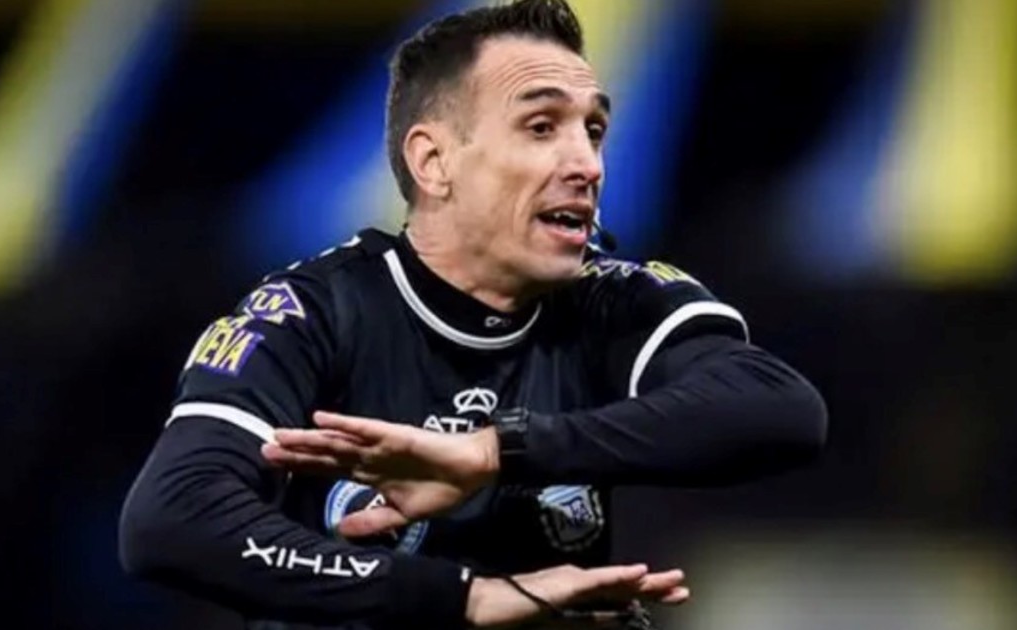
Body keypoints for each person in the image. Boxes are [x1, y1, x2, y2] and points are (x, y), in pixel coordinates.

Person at [118, 1, 827, 628]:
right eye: (542, 127)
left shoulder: (615, 301)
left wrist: (497, 452)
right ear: (434, 162)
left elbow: (779, 408)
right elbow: (172, 519)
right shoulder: (312, 313)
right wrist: (464, 598)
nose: (587, 164)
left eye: (594, 130)